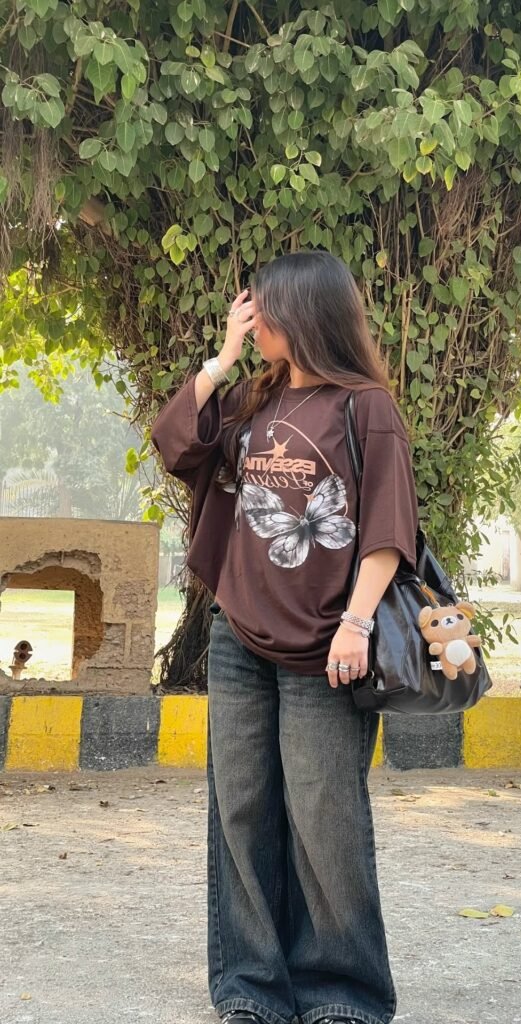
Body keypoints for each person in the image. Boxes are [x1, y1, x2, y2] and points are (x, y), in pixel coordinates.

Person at [150, 250, 420, 1024]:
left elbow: (386, 528)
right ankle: (251, 988)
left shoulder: (363, 406)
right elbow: (177, 445)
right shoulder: (252, 400)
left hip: (326, 647)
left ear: (301, 312)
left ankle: (344, 992)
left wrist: (358, 622)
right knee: (239, 811)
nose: (253, 317)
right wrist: (221, 358)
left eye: (261, 308)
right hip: (238, 637)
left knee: (323, 817)